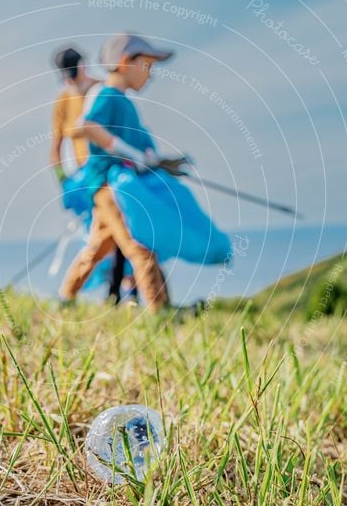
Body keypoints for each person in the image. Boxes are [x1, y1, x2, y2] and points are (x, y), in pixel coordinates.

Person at [60, 33, 232, 311]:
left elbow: (143, 152)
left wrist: (163, 163)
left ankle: (65, 298)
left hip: (116, 186)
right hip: (109, 186)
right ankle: (159, 309)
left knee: (98, 248)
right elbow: (86, 126)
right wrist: (132, 154)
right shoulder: (107, 95)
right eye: (147, 67)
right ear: (126, 62)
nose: (150, 76)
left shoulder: (124, 103)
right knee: (140, 245)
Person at [50, 46, 138, 304]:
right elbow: (55, 149)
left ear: (83, 66)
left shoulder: (103, 90)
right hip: (87, 179)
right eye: (64, 75)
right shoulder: (63, 102)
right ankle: (106, 295)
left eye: (71, 72)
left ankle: (123, 293)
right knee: (104, 239)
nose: (69, 79)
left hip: (114, 172)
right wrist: (64, 182)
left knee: (125, 233)